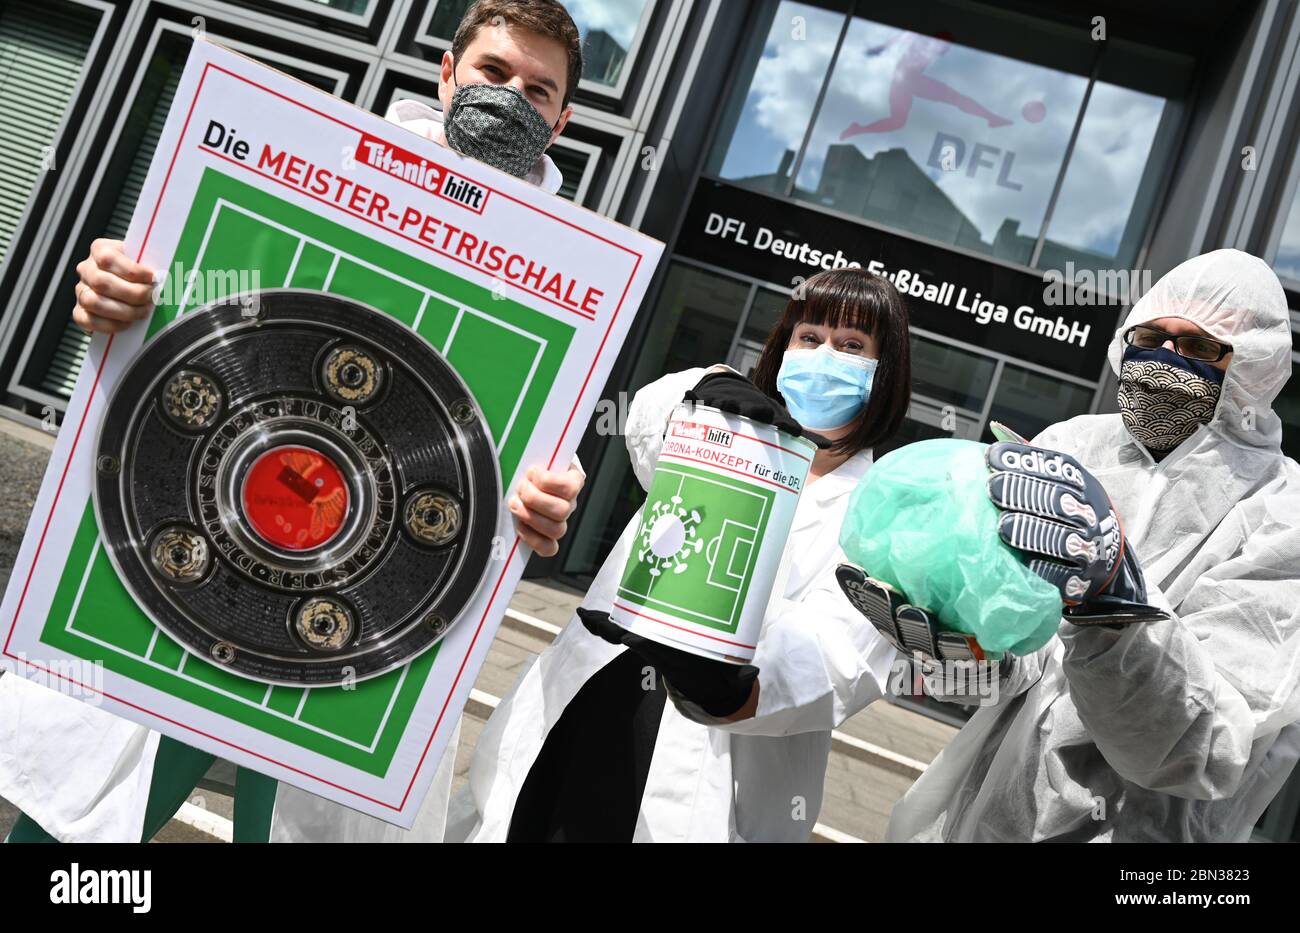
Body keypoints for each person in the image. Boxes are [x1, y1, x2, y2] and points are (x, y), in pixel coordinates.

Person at [2, 0, 587, 844]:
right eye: (495, 72)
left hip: (376, 586)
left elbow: (524, 444)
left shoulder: (571, 271)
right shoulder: (317, 162)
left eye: (537, 92)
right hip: (222, 521)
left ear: (561, 123)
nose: (511, 98)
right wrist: (125, 295)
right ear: (447, 74)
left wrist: (544, 500)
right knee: (82, 823)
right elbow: (206, 292)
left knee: (296, 822)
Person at [847, 249, 1300, 842]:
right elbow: (1023, 672)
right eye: (1151, 335)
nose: (1164, 358)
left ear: (1253, 369)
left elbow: (1203, 751)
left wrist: (1117, 609)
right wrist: (959, 656)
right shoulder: (1071, 448)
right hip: (980, 818)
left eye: (1197, 346)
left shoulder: (1280, 510)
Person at [445, 267, 910, 842]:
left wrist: (729, 686)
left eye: (852, 346)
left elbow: (841, 657)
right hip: (584, 702)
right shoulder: (726, 426)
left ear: (884, 373)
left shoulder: (880, 515)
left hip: (712, 767)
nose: (823, 356)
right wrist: (709, 385)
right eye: (809, 337)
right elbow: (652, 416)